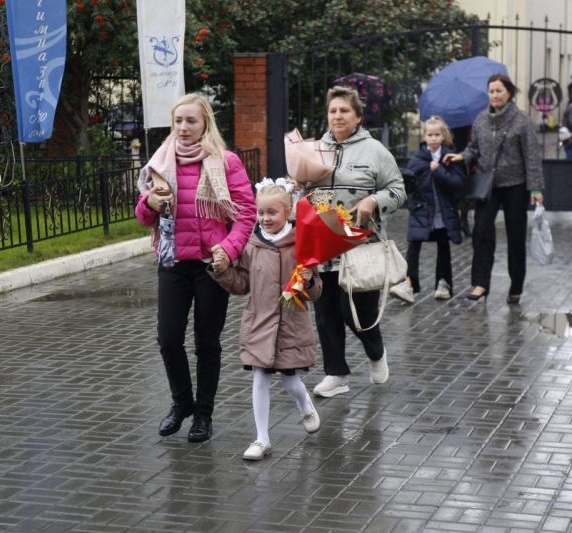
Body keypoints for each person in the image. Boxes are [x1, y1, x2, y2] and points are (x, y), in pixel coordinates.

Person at [135, 93, 257, 442]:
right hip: (172, 261)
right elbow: (144, 216)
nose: (184, 128)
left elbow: (246, 212)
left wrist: (229, 251)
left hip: (211, 265)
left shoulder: (226, 161)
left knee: (207, 342)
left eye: (191, 121)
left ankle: (203, 414)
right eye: (178, 121)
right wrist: (150, 202)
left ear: (205, 123)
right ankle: (181, 403)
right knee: (169, 338)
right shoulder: (160, 161)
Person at [210, 178, 323, 461]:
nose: (265, 218)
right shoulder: (251, 243)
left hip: (291, 325)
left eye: (272, 213)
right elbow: (242, 284)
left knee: (290, 382)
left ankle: (304, 403)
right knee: (259, 379)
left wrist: (309, 281)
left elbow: (316, 292)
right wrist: (222, 270)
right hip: (259, 322)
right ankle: (262, 438)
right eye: (261, 213)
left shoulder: (302, 244)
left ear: (288, 212)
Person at [307, 85, 406, 398]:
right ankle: (336, 373)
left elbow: (398, 189)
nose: (338, 116)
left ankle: (375, 352)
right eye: (333, 111)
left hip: (360, 246)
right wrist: (297, 186)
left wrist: (374, 201)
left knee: (358, 314)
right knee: (326, 314)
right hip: (324, 245)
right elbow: (304, 194)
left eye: (344, 110)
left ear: (358, 116)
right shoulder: (313, 150)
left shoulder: (374, 150)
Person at [443, 73, 545, 304]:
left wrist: (535, 188)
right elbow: (473, 149)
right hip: (488, 185)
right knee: (481, 231)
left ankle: (515, 286)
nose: (495, 95)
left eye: (499, 90)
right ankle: (480, 284)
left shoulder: (521, 120)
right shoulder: (481, 120)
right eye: (491, 91)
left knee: (515, 235)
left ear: (509, 92)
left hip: (515, 185)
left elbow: (532, 156)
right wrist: (461, 156)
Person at [392, 116, 464, 303]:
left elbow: (456, 183)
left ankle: (443, 283)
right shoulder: (417, 160)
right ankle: (409, 283)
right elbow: (412, 184)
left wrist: (438, 170)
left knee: (443, 246)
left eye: (437, 134)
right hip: (421, 211)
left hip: (442, 212)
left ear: (443, 136)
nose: (433, 138)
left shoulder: (450, 157)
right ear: (424, 136)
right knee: (413, 245)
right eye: (429, 134)